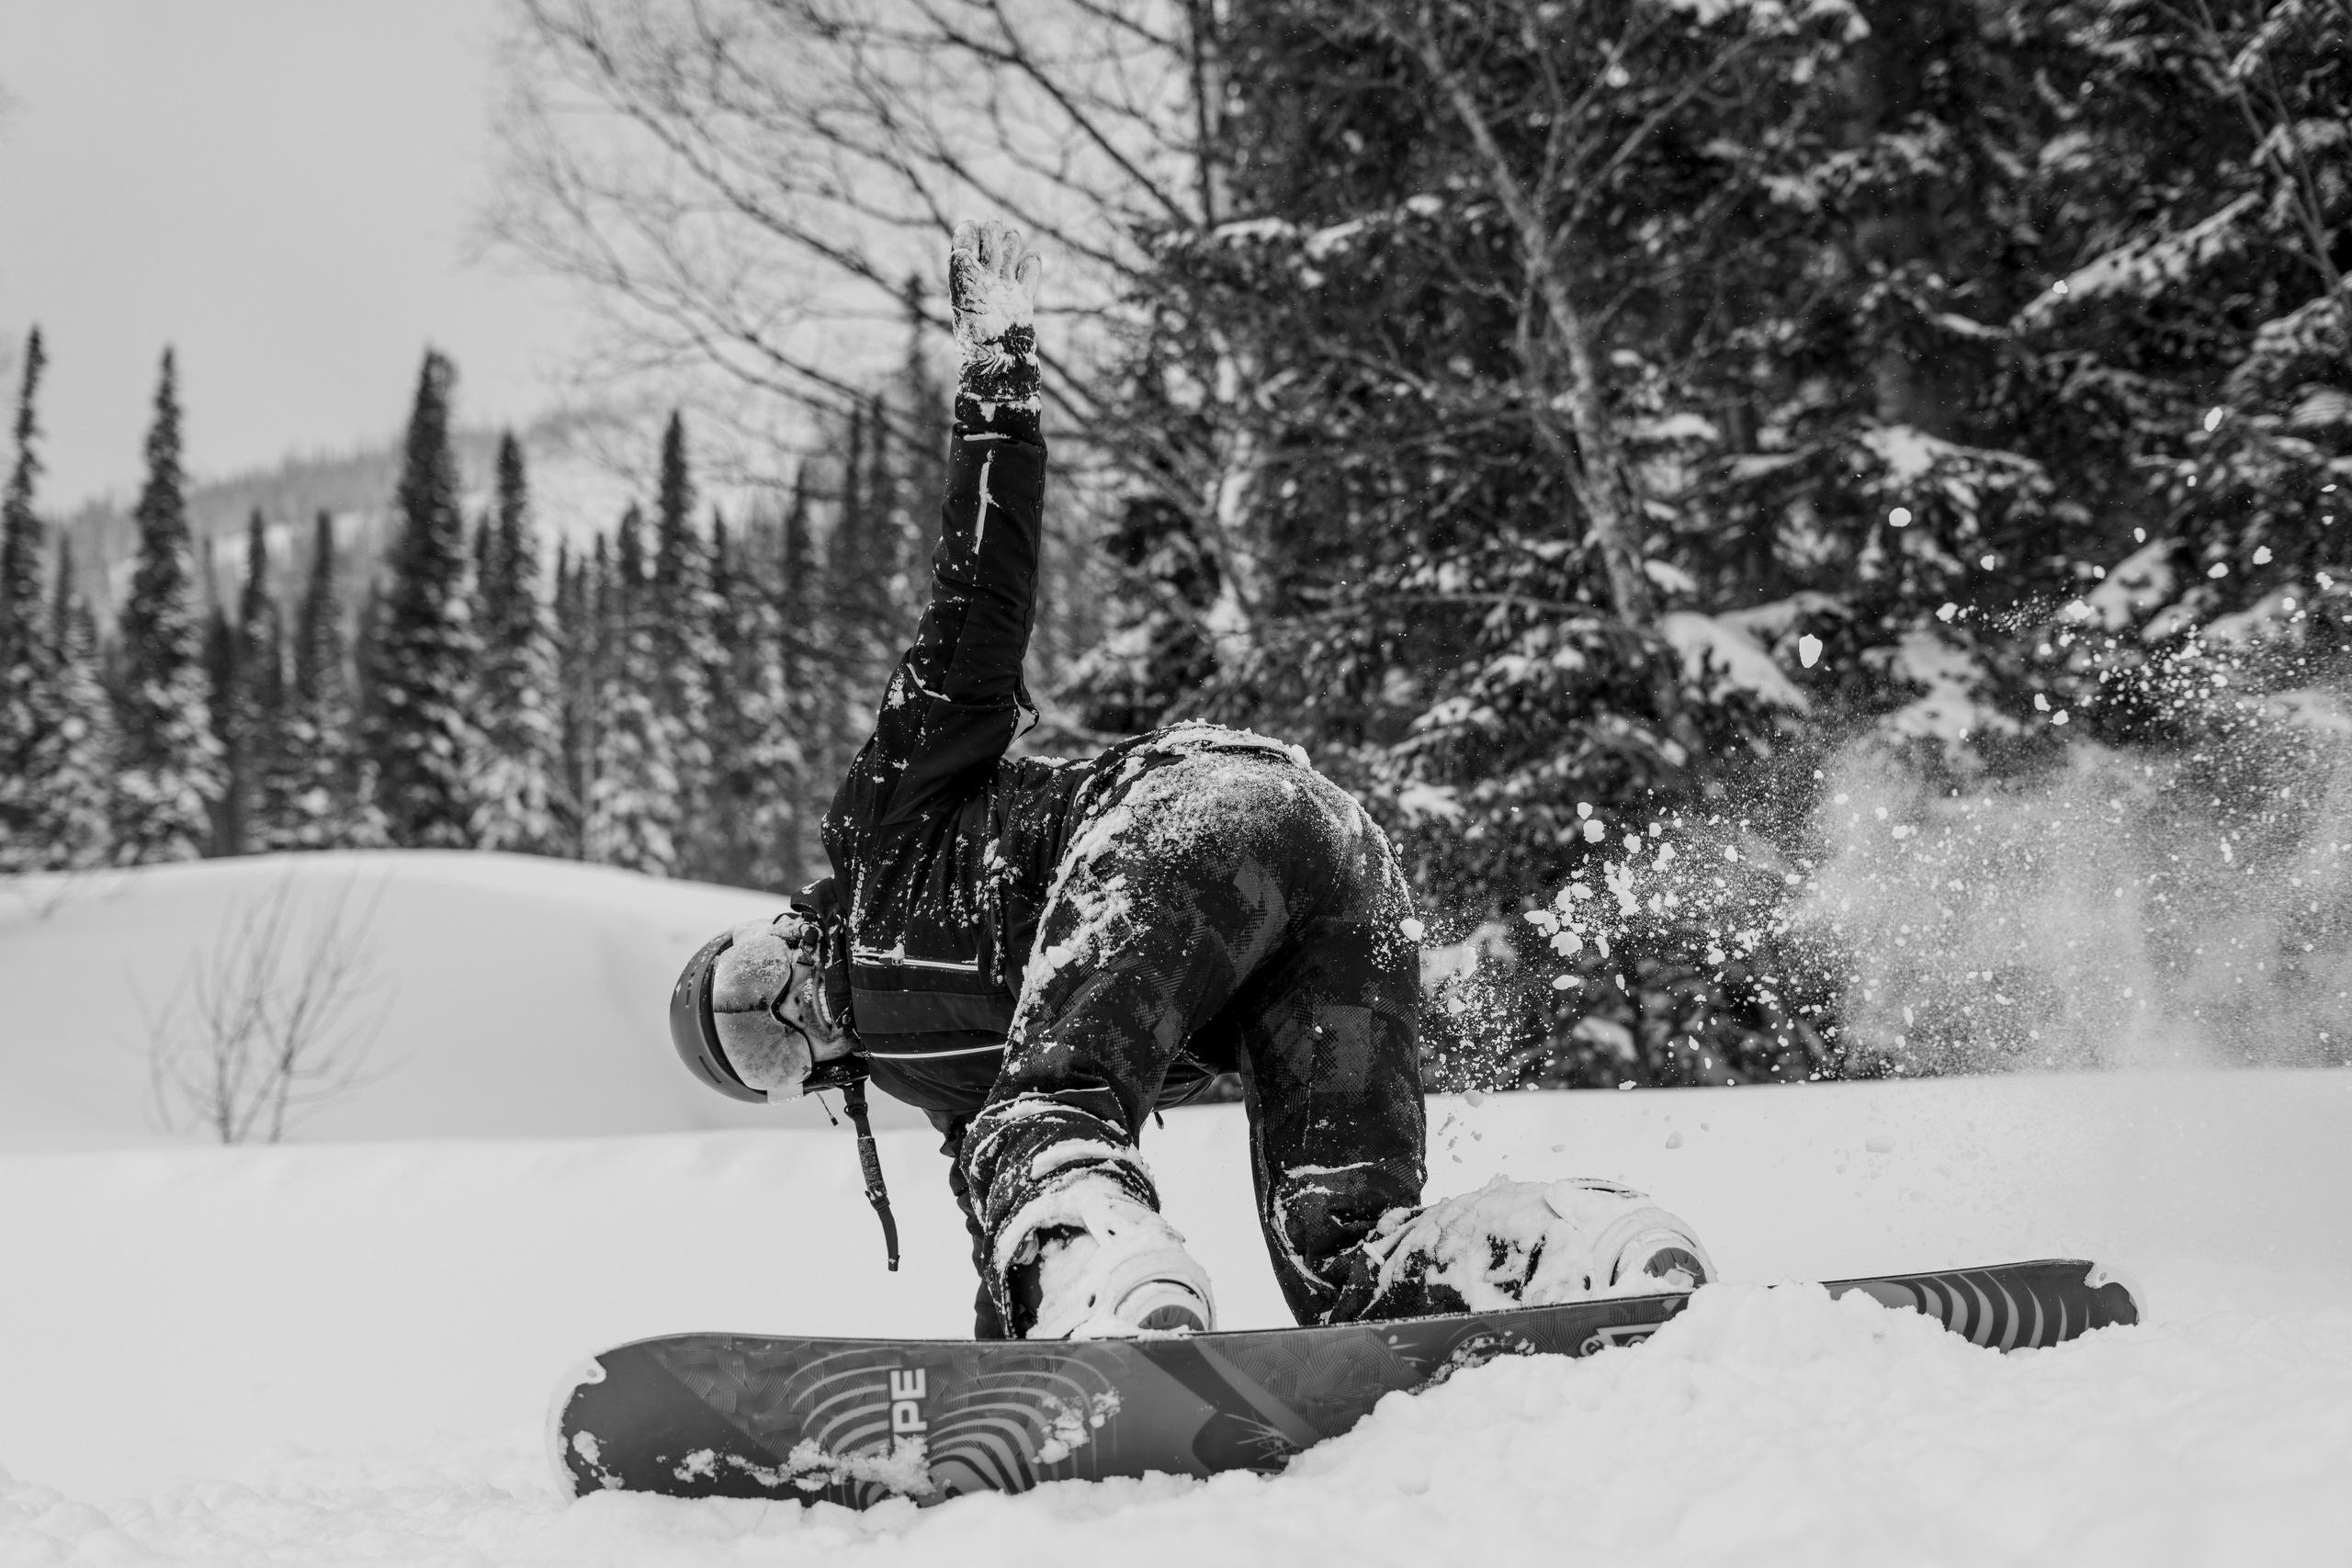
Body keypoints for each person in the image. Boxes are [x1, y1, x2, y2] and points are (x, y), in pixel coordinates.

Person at [669, 220, 1713, 1339]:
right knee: (1340, 1255)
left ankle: (1114, 1287)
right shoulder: (950, 1095)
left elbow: (972, 612)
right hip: (1334, 882)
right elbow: (1000, 1238)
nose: (789, 1008)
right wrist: (1015, 1373)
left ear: (774, 931)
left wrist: (996, 385)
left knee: (1049, 1115)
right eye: (765, 1048)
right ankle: (1574, 1258)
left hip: (1184, 821)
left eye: (753, 982)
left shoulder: (883, 836)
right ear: (807, 1087)